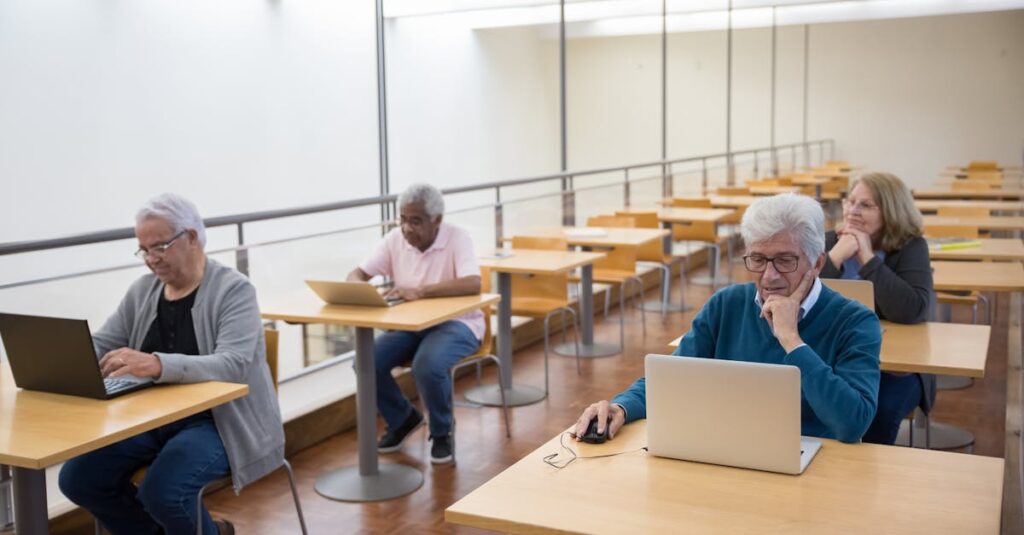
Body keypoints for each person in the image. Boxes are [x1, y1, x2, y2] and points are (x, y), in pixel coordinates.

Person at [58, 193, 283, 535]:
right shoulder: (143, 291)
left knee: (164, 492)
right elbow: (105, 344)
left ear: (191, 237)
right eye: (144, 250)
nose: (151, 259)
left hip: (220, 422)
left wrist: (157, 365)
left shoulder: (234, 290)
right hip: (153, 418)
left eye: (159, 247)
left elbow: (234, 365)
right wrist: (60, 356)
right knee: (78, 478)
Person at [574, 193, 881, 444]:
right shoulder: (726, 304)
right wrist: (621, 406)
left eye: (785, 260)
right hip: (728, 452)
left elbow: (853, 424)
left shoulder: (856, 321)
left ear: (817, 262)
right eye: (758, 259)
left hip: (817, 466)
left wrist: (792, 340)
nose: (769, 275)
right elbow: (673, 377)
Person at [348, 183, 483, 464]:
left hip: (458, 323)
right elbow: (358, 273)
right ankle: (403, 419)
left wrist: (421, 291)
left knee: (427, 365)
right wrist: (361, 289)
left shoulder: (458, 238)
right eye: (403, 219)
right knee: (365, 362)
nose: (407, 228)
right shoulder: (394, 239)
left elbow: (473, 283)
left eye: (416, 221)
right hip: (411, 326)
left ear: (437, 220)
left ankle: (442, 431)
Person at [821, 172, 934, 445]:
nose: (853, 211)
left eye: (866, 205)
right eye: (850, 202)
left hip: (895, 368)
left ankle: (869, 482)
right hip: (835, 357)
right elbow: (801, 297)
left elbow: (911, 310)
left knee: (877, 413)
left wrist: (867, 258)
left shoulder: (911, 246)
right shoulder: (828, 243)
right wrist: (835, 257)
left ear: (892, 211)